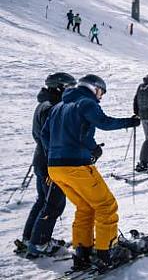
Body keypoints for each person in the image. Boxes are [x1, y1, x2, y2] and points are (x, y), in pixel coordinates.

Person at [42, 75, 141, 270]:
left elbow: (45, 135)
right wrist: (130, 122)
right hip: (76, 166)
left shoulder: (58, 107)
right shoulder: (86, 102)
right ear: (94, 88)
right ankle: (106, 252)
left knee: (85, 207)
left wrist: (56, 154)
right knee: (106, 206)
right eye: (101, 92)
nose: (101, 97)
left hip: (55, 168)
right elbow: (104, 122)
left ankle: (82, 253)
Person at [19, 73, 76, 257]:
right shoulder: (52, 107)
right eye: (69, 87)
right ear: (60, 88)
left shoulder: (44, 104)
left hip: (41, 159)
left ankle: (30, 238)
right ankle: (39, 243)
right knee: (54, 204)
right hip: (51, 162)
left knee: (43, 200)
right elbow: (52, 138)